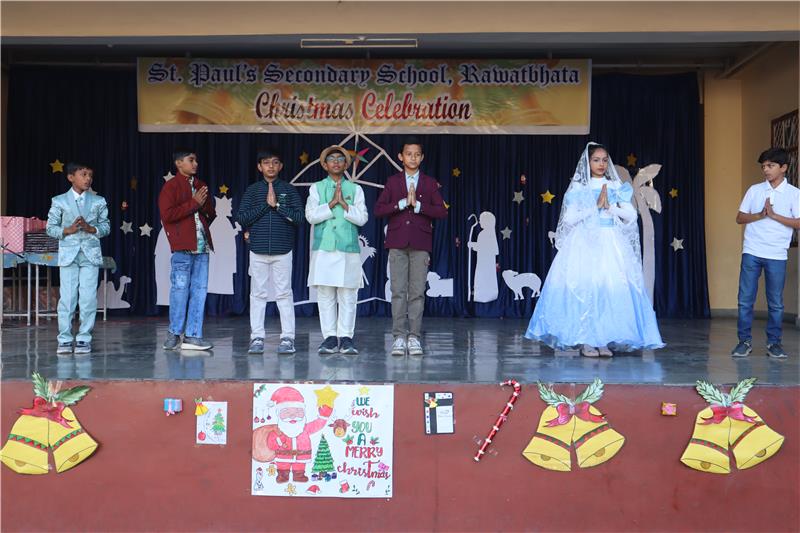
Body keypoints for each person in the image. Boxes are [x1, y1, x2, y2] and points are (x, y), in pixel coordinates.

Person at [525, 142, 664, 356]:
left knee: (607, 289)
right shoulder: (580, 188)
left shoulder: (615, 186)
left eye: (604, 160)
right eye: (596, 160)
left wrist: (611, 208)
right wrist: (594, 208)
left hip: (610, 240)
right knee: (586, 288)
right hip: (584, 242)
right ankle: (586, 341)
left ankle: (602, 340)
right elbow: (569, 219)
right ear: (588, 162)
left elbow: (630, 215)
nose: (601, 164)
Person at [374, 136, 447, 356]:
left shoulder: (429, 183)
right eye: (408, 154)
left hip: (421, 243)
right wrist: (401, 203)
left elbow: (441, 212)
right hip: (397, 243)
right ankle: (398, 337)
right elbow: (379, 210)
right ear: (400, 157)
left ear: (422, 157)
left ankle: (414, 337)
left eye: (416, 154)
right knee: (398, 291)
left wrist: (419, 206)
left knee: (417, 292)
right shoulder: (393, 182)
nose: (412, 158)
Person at [732, 147, 799, 359]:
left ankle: (774, 343)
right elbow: (740, 218)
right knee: (745, 300)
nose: (766, 170)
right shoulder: (755, 190)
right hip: (752, 251)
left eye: (771, 165)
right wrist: (760, 215)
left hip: (777, 254)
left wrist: (775, 216)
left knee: (776, 303)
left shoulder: (794, 193)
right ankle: (743, 342)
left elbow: (798, 222)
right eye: (763, 166)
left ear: (783, 167)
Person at [236, 148, 303, 355]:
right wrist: (266, 206)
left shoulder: (289, 190)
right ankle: (257, 337)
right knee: (258, 294)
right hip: (258, 250)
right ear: (259, 167)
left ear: (280, 166)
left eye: (275, 162)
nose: (271, 166)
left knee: (284, 294)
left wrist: (278, 206)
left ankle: (288, 338)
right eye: (266, 162)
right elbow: (242, 218)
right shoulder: (252, 190)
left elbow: (299, 218)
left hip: (283, 250)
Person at [305, 145, 368, 355]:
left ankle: (346, 337)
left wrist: (345, 205)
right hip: (324, 248)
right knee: (325, 295)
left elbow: (363, 218)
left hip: (347, 249)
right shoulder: (316, 188)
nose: (336, 162)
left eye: (340, 159)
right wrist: (332, 204)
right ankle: (330, 338)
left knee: (348, 295)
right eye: (331, 159)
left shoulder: (356, 189)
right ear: (324, 165)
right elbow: (311, 216)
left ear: (346, 164)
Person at [46, 162, 110, 355]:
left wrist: (92, 229)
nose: (88, 178)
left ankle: (84, 338)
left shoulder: (98, 201)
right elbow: (50, 228)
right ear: (71, 177)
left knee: (88, 298)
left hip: (90, 255)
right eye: (83, 174)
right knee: (67, 298)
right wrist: (67, 230)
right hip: (69, 254)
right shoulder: (59, 201)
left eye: (90, 175)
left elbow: (106, 227)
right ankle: (65, 339)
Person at [158, 147, 217, 351]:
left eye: (196, 160)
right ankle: (174, 333)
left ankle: (193, 335)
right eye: (191, 160)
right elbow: (167, 215)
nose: (195, 164)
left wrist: (203, 204)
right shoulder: (171, 186)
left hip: (202, 246)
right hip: (182, 248)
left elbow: (211, 214)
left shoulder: (201, 185)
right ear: (178, 163)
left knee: (199, 291)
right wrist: (193, 203)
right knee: (180, 290)